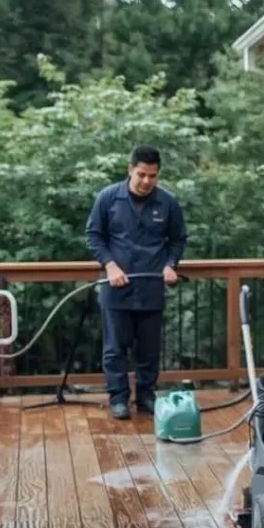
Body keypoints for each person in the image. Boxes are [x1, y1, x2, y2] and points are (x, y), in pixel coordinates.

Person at [86, 144, 187, 419]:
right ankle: (118, 399)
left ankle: (146, 397)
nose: (146, 181)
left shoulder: (167, 202)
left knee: (149, 349)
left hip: (151, 287)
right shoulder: (108, 198)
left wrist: (170, 265)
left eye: (152, 176)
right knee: (115, 348)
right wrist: (109, 265)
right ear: (130, 170)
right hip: (116, 288)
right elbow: (94, 235)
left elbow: (178, 239)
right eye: (141, 174)